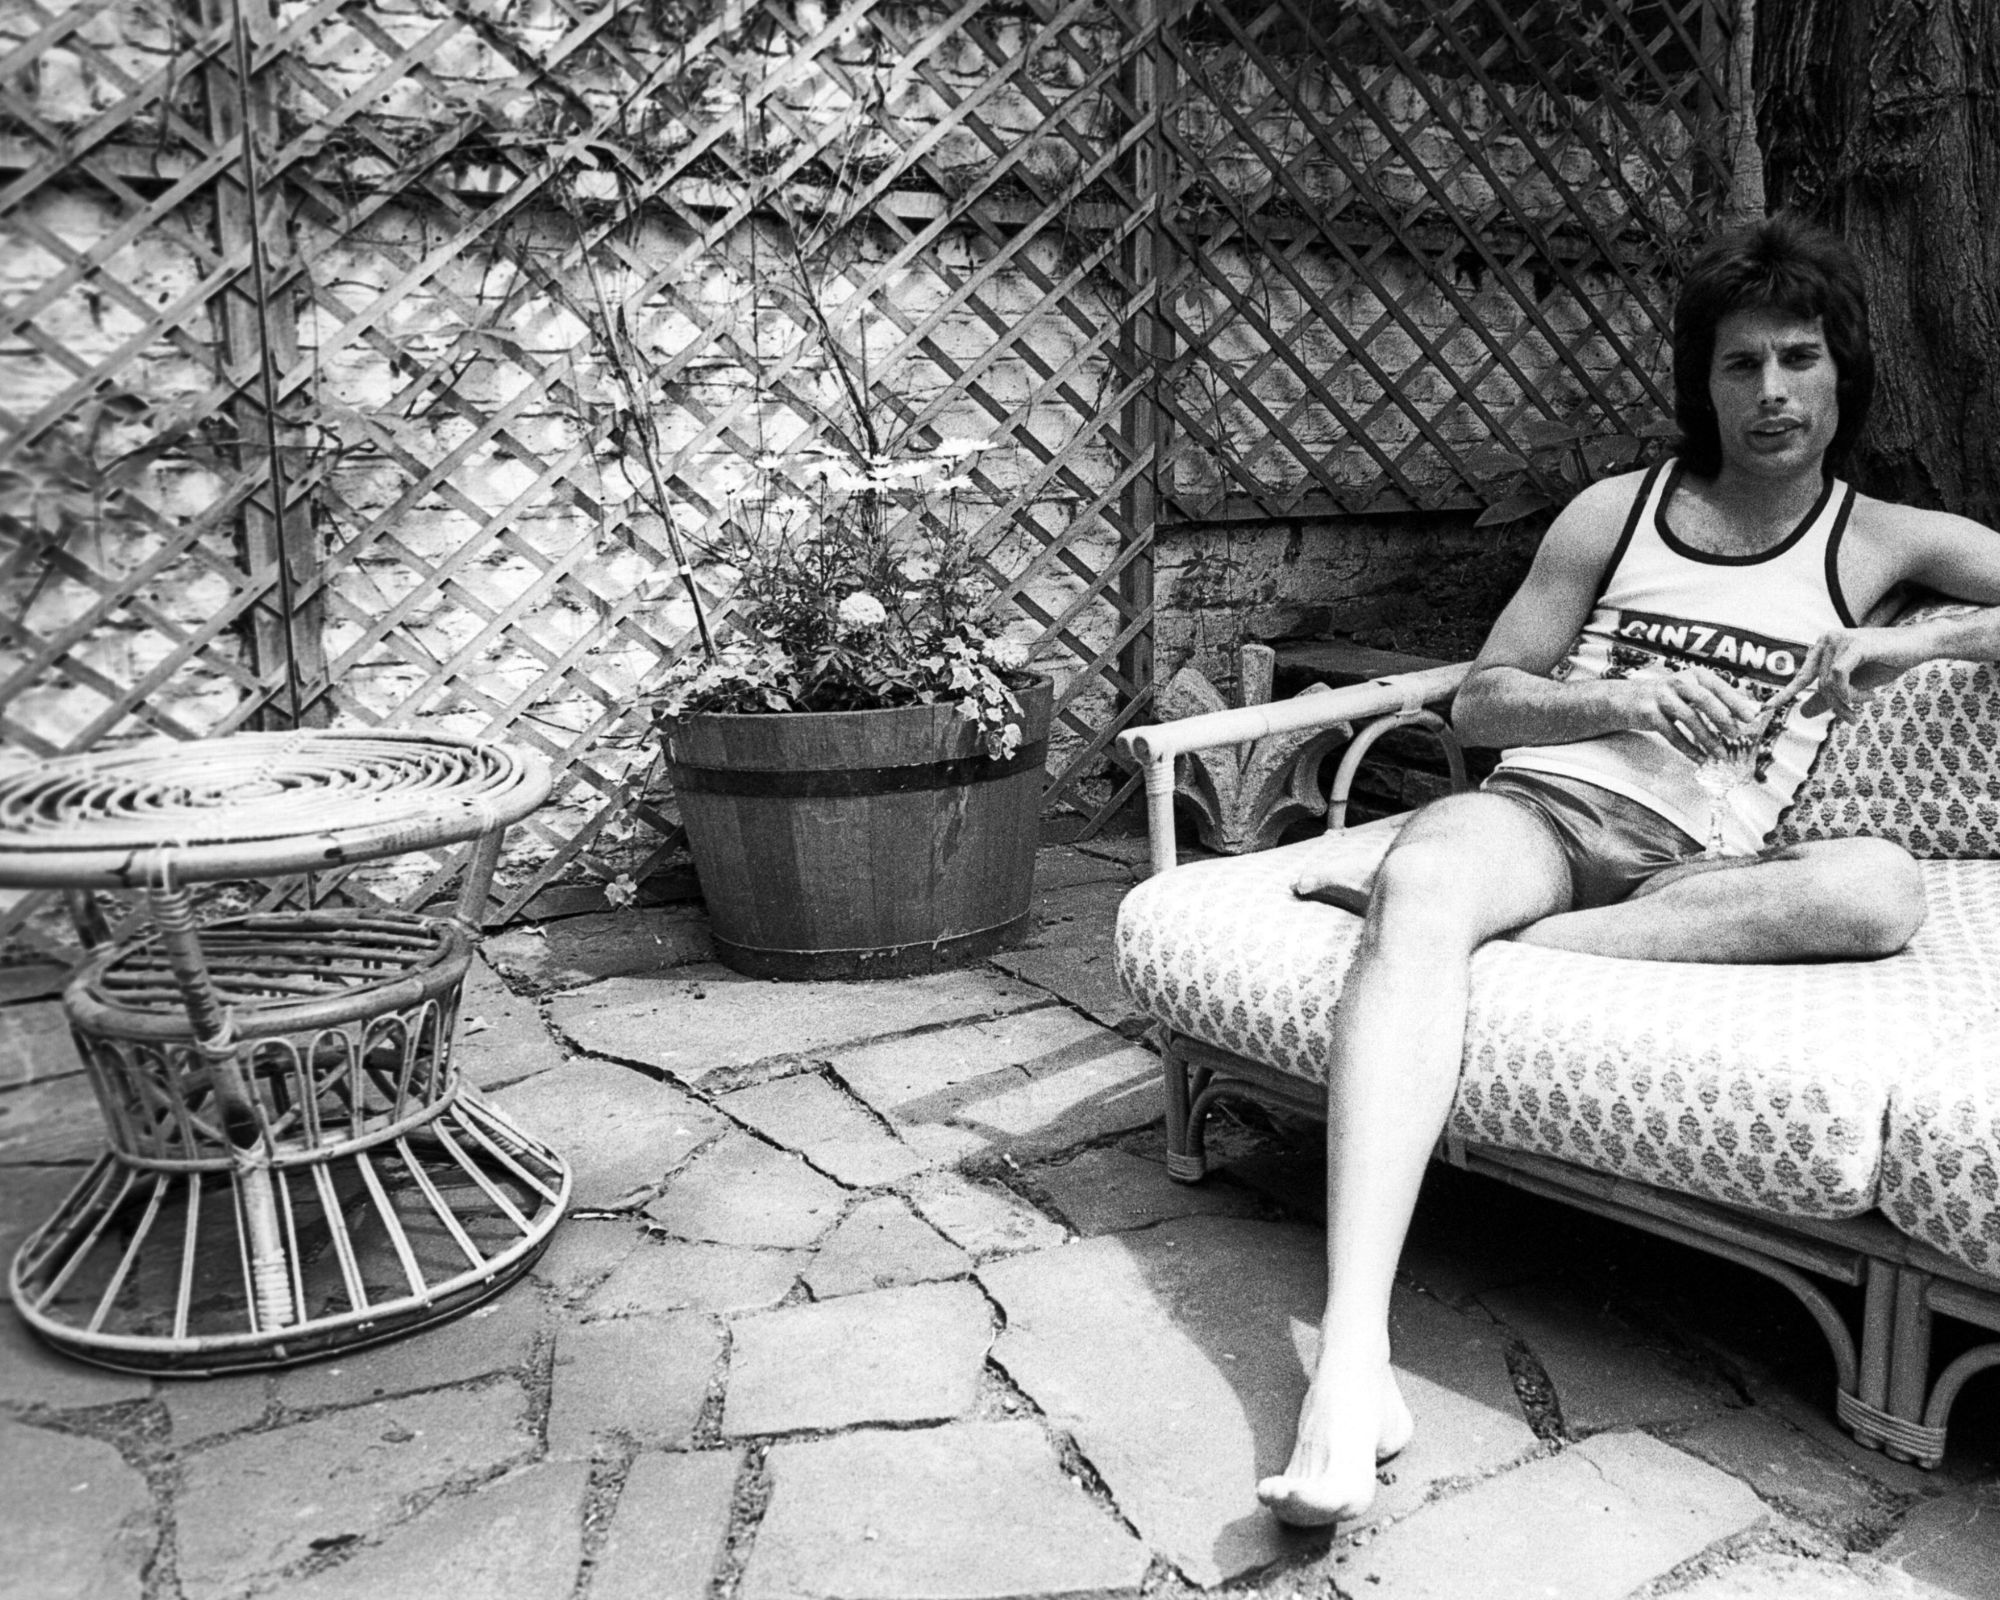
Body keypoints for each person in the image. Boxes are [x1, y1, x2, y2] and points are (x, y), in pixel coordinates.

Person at [1257, 211, 2000, 1528]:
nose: (1771, 392)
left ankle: (1421, 938)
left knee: (1881, 888)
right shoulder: (1621, 512)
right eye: (1739, 365)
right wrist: (1629, 697)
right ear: (1698, 382)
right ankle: (1355, 1355)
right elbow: (1482, 703)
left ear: (1842, 375)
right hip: (1547, 816)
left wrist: (1915, 649)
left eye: (1798, 359)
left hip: (1703, 872)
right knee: (1437, 876)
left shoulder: (1880, 539)